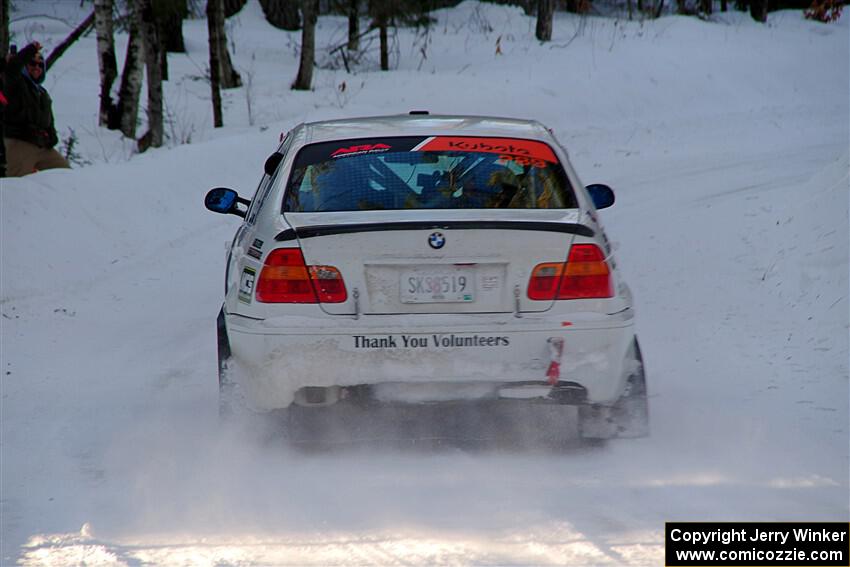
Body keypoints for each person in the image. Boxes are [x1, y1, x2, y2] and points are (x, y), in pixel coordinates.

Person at [2, 42, 69, 177]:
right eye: (32, 63)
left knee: (65, 174)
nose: (36, 68)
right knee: (16, 184)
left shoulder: (42, 92)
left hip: (41, 146)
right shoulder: (16, 85)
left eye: (40, 65)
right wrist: (29, 50)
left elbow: (49, 121)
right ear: (24, 66)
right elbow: (12, 69)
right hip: (19, 143)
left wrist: (51, 138)